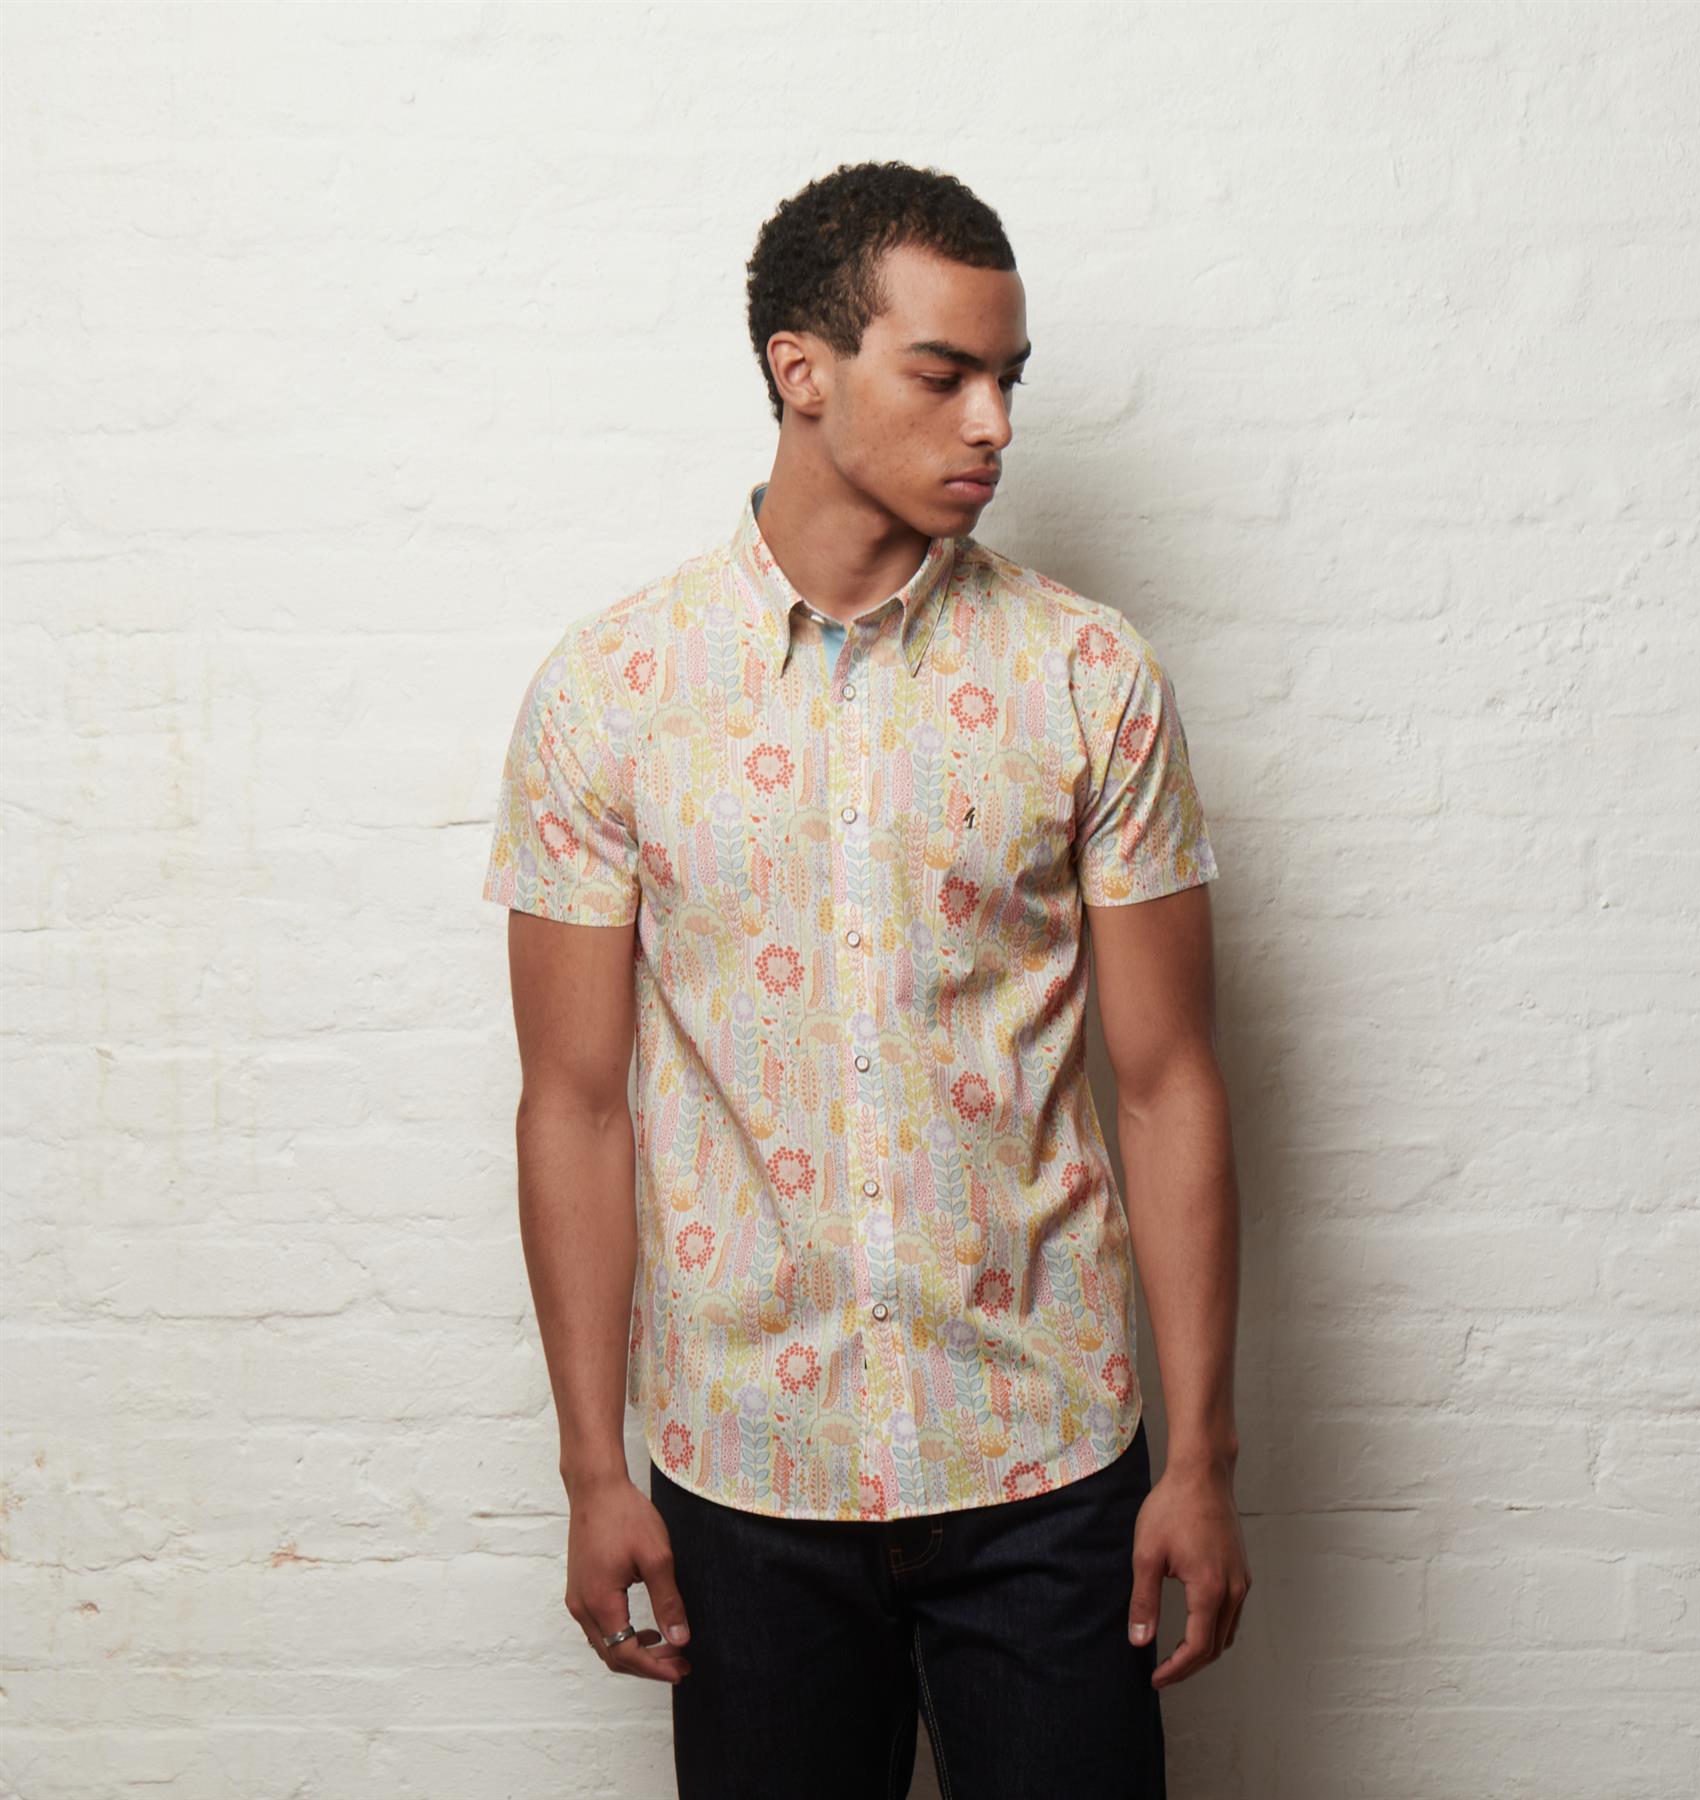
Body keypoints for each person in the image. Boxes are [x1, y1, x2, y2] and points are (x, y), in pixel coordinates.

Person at [480, 159, 1250, 1799]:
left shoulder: (1088, 676)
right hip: (747, 1476)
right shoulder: (612, 693)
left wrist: (1201, 1457)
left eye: (1009, 379)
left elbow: (1171, 1081)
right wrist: (590, 1469)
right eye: (944, 374)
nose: (995, 425)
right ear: (802, 370)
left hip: (1048, 1468)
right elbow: (575, 1103)